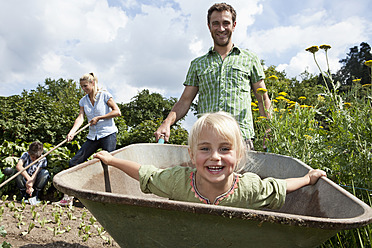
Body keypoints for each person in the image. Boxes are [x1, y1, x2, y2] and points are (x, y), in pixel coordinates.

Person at [95, 112, 326, 209]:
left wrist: (307, 178)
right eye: (205, 148)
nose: (215, 156)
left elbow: (279, 186)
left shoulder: (249, 187)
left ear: (238, 155)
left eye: (225, 148)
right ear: (192, 156)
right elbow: (146, 173)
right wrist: (112, 160)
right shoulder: (178, 181)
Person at [154, 3, 271, 152]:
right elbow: (184, 101)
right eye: (216, 23)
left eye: (226, 23)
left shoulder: (250, 59)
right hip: (206, 140)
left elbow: (262, 98)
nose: (221, 28)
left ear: (234, 25)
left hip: (241, 139)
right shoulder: (198, 64)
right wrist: (166, 123)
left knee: (241, 176)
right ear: (209, 26)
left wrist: (269, 128)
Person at [55, 72, 121, 206]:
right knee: (74, 162)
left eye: (85, 86)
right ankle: (69, 198)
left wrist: (100, 118)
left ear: (92, 83)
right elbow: (80, 118)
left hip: (108, 134)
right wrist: (72, 132)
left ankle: (110, 199)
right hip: (93, 136)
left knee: (107, 164)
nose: (83, 89)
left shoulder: (105, 95)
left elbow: (117, 112)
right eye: (82, 87)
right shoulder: (83, 100)